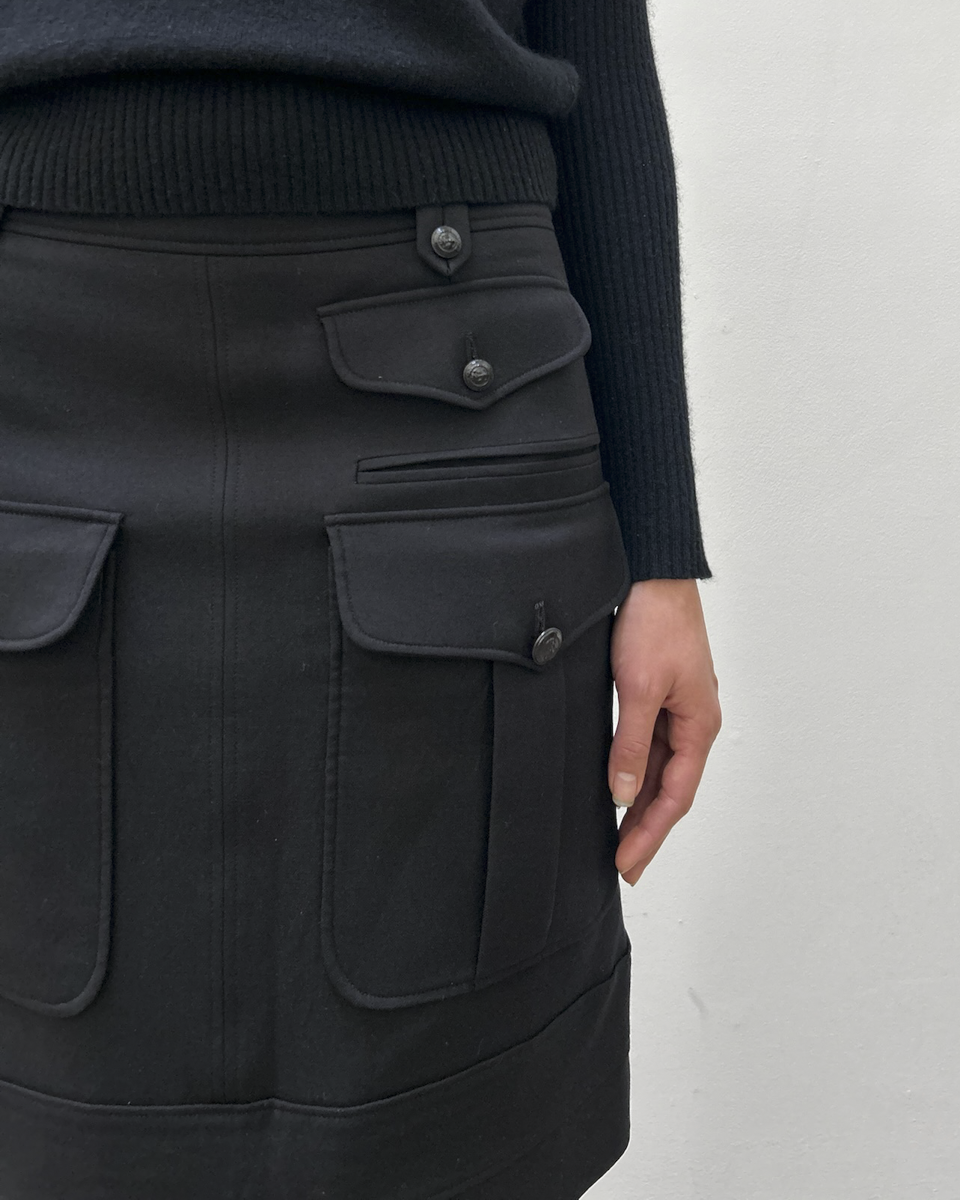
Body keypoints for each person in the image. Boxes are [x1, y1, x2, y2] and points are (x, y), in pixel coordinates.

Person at [0, 1, 721, 1196]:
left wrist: (660, 544)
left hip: (454, 386)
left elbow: (595, 42)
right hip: (40, 367)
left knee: (457, 1109)